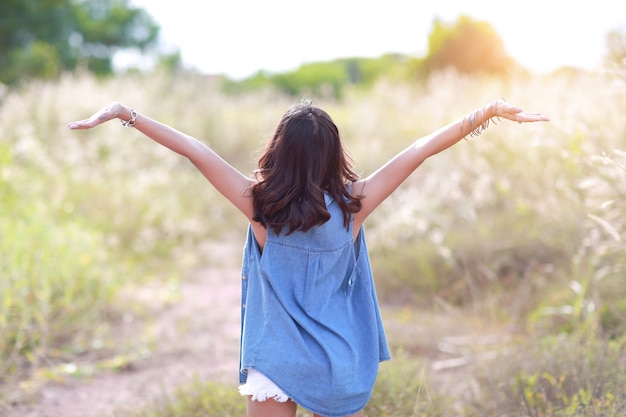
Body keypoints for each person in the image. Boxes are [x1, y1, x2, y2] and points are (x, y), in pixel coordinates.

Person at [68, 97, 548, 417]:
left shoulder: (261, 207)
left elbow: (196, 151)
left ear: (280, 150)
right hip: (336, 358)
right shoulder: (355, 207)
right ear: (332, 153)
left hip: (276, 361)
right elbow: (418, 151)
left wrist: (126, 113)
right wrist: (486, 113)